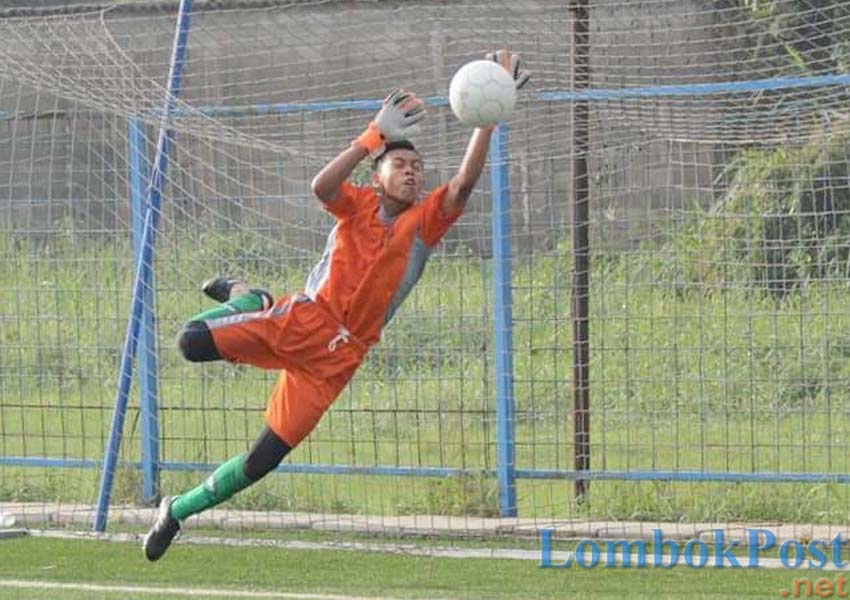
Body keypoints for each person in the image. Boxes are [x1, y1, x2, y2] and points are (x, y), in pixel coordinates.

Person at [143, 50, 529, 561]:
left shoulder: (425, 223)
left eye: (418, 167)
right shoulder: (358, 206)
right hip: (303, 321)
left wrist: (488, 121)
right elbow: (321, 186)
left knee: (263, 459)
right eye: (400, 164)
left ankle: (176, 511)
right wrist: (373, 135)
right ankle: (250, 297)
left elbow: (462, 185)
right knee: (190, 343)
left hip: (338, 361)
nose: (412, 173)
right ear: (378, 176)